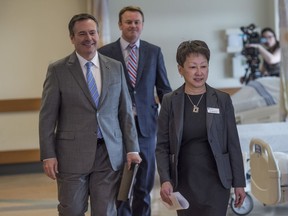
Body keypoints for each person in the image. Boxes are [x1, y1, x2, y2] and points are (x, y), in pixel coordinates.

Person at [39, 13, 142, 216]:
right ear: (72, 38)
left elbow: (125, 113)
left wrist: (132, 149)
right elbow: (47, 117)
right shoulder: (58, 70)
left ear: (98, 34)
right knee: (72, 210)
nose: (89, 38)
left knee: (105, 211)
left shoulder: (115, 67)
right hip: (71, 156)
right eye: (82, 33)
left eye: (93, 32)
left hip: (109, 154)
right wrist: (48, 154)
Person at [155, 40, 246, 216]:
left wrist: (239, 183)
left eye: (203, 66)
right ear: (180, 69)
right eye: (193, 67)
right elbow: (162, 146)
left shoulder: (222, 99)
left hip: (217, 181)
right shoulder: (170, 101)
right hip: (184, 180)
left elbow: (233, 143)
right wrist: (165, 179)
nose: (199, 73)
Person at [98, 6, 172, 216]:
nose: (133, 26)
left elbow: (164, 89)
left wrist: (171, 119)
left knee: (144, 185)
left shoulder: (153, 51)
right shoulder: (104, 53)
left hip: (146, 127)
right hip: (116, 129)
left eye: (137, 22)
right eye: (128, 22)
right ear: (120, 25)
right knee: (121, 185)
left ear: (142, 25)